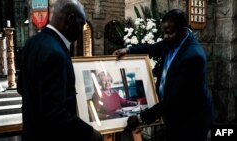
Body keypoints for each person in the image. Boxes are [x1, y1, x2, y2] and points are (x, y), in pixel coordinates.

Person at [113, 9, 213, 141]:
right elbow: (154, 48)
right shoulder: (173, 40)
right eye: (164, 32)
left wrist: (140, 118)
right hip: (174, 113)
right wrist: (128, 50)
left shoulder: (193, 57)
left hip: (191, 117)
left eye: (170, 33)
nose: (165, 36)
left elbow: (175, 99)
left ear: (183, 30)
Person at [17, 0, 102, 141]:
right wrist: (90, 133)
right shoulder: (55, 53)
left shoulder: (33, 42)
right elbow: (54, 112)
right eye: (81, 24)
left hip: (31, 132)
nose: (81, 31)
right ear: (70, 19)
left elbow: (21, 87)